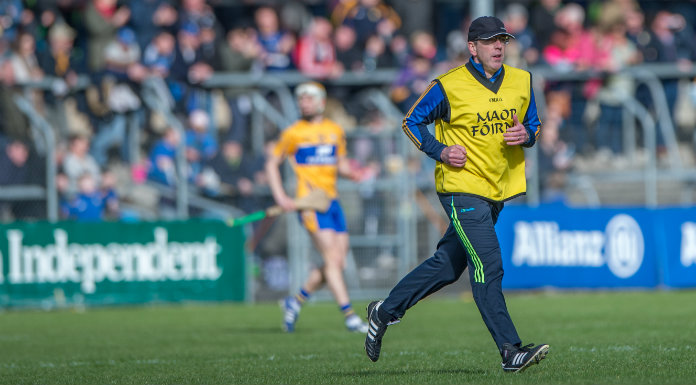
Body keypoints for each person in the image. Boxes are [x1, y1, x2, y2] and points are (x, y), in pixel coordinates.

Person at [363, 16, 549, 373]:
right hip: (460, 189)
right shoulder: (449, 86)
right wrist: (440, 150)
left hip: (495, 190)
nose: (499, 46)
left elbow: (534, 125)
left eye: (503, 40)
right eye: (491, 40)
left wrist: (526, 135)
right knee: (488, 263)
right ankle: (510, 351)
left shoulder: (522, 80)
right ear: (472, 47)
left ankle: (384, 311)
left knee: (448, 266)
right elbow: (411, 121)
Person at [265, 81, 368, 334]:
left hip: (332, 201)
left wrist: (352, 173)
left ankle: (295, 301)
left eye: (309, 98)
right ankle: (350, 316)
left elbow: (339, 164)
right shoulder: (293, 133)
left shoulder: (334, 130)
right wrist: (280, 196)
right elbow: (271, 163)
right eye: (301, 99)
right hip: (310, 204)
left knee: (338, 262)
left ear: (321, 102)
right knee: (332, 259)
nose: (304, 103)